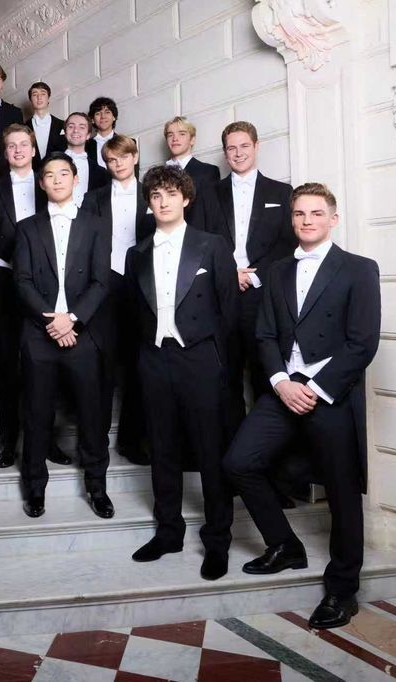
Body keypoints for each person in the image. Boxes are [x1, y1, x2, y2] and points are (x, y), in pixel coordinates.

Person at [223, 183, 380, 629]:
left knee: (342, 493)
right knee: (239, 462)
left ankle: (343, 590)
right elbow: (266, 334)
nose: (306, 221)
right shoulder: (275, 272)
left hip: (328, 395)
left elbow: (362, 342)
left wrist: (315, 386)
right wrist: (279, 382)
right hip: (283, 388)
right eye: (298, 214)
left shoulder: (358, 269)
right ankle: (285, 545)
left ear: (333, 218)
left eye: (315, 213)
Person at [125, 165, 238, 580]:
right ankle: (169, 532)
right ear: (149, 203)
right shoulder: (135, 253)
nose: (163, 201)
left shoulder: (212, 245)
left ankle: (218, 541)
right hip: (155, 359)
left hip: (201, 361)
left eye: (171, 194)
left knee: (211, 452)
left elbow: (229, 310)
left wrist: (216, 362)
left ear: (186, 198)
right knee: (162, 450)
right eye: (156, 196)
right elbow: (133, 314)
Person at [13, 152, 112, 520]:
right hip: (40, 336)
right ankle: (36, 488)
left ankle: (97, 487)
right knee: (37, 415)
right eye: (49, 175)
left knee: (92, 413)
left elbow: (102, 281)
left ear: (76, 180)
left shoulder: (96, 224)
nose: (56, 180)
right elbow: (20, 281)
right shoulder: (26, 227)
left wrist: (72, 319)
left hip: (82, 334)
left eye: (63, 174)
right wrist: (52, 322)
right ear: (41, 183)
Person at [213, 121, 294, 425]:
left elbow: (287, 244)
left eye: (244, 145)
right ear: (225, 153)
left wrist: (254, 276)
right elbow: (202, 240)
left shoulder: (281, 191)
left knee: (266, 375)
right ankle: (233, 453)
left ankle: (266, 453)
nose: (238, 152)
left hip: (264, 296)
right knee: (226, 377)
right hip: (222, 296)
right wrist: (228, 274)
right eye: (231, 148)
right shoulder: (210, 193)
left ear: (256, 146)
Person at [0, 124, 48, 468]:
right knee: (8, 365)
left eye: (24, 145)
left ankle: (46, 439)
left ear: (34, 150)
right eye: (11, 146)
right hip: (5, 282)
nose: (18, 150)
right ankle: (9, 440)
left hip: (46, 286)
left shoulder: (48, 184)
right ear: (4, 153)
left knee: (45, 365)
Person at [82, 135, 152, 464]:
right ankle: (94, 444)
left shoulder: (152, 194)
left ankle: (132, 441)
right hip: (105, 284)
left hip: (144, 285)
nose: (117, 164)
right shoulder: (93, 198)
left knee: (140, 364)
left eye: (123, 157)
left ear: (135, 156)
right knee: (103, 364)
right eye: (111, 160)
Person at [161, 116, 220, 234]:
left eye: (182, 134)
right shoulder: (158, 174)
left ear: (192, 140)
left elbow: (212, 217)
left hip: (195, 243)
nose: (175, 139)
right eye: (170, 135)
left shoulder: (207, 172)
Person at [63, 112, 111, 208]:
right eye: (71, 126)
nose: (76, 130)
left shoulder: (101, 173)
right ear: (65, 132)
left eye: (82, 127)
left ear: (88, 135)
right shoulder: (49, 164)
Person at [26, 82, 65, 165]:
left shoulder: (62, 125)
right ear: (30, 99)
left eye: (43, 94)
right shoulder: (23, 127)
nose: (39, 97)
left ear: (48, 98)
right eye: (34, 94)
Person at [87, 97, 118, 168]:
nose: (103, 116)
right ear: (92, 120)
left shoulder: (127, 142)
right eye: (98, 113)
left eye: (107, 112)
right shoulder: (85, 146)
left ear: (114, 117)